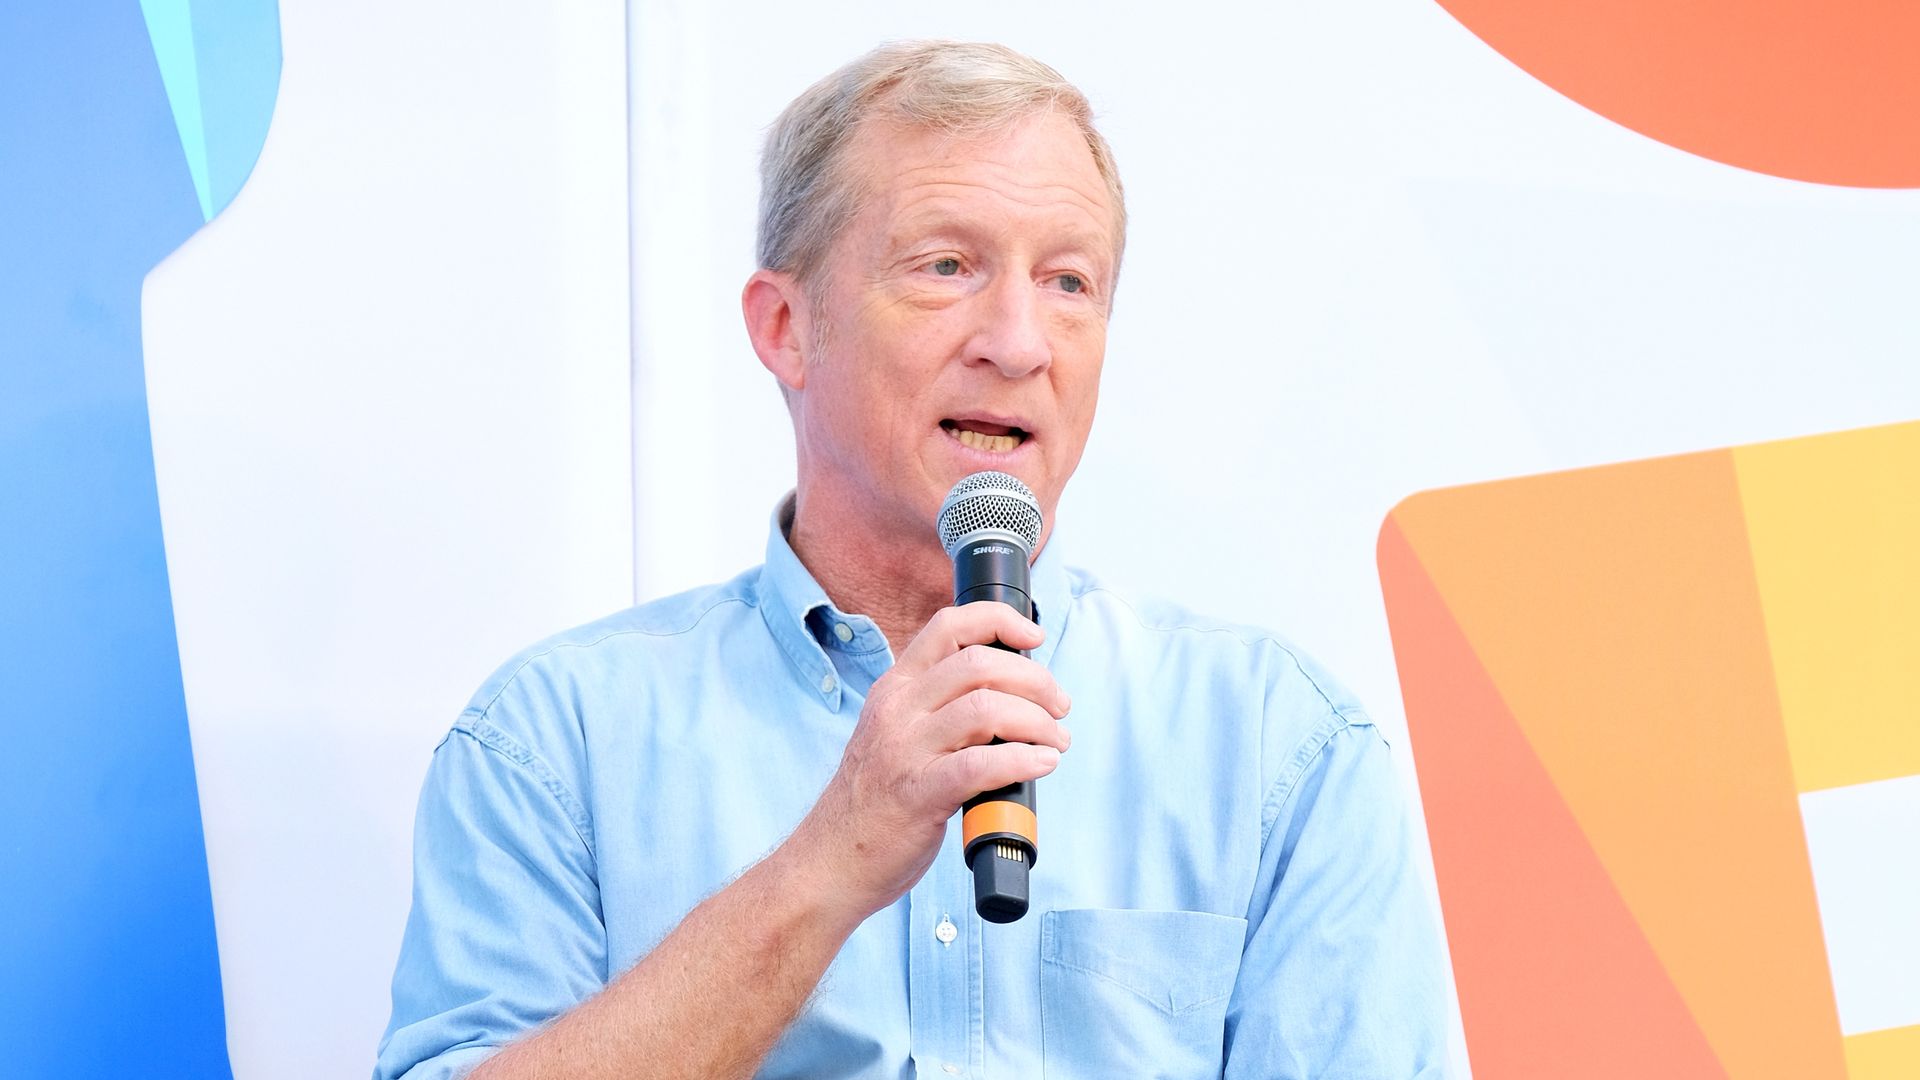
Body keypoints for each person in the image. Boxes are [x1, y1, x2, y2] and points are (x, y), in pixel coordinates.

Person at [375, 39, 1451, 1080]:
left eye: (1069, 282)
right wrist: (830, 861)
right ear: (786, 327)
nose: (1019, 343)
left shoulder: (1277, 746)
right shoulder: (554, 741)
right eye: (947, 266)